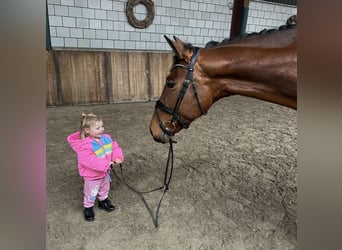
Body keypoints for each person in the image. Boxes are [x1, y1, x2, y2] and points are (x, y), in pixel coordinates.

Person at [67, 113, 124, 222]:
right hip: (92, 176)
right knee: (91, 192)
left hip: (104, 172)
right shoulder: (85, 145)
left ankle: (103, 201)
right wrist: (105, 165)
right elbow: (88, 160)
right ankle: (88, 207)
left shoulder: (106, 138)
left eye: (102, 126)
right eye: (97, 128)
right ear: (87, 130)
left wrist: (117, 157)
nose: (101, 129)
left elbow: (114, 148)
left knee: (104, 187)